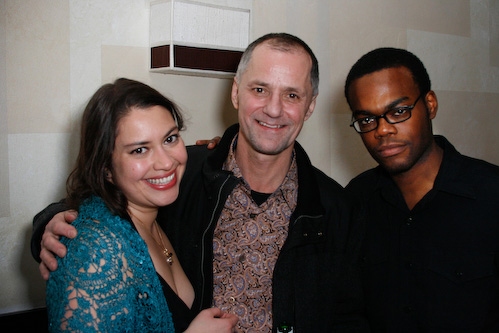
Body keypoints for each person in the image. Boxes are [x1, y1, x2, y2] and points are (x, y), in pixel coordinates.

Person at [32, 33, 368, 332]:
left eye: (292, 95)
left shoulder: (335, 207)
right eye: (260, 89)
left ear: (310, 106)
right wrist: (52, 225)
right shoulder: (184, 176)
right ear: (237, 93)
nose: (274, 109)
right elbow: (111, 200)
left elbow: (350, 314)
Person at [44, 78, 238, 332]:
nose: (165, 163)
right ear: (106, 169)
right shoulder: (97, 251)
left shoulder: (158, 215)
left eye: (170, 139)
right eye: (139, 150)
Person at [344, 47, 499, 332]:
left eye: (398, 111)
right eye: (367, 119)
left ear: (430, 105)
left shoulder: (491, 195)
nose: (383, 130)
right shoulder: (355, 200)